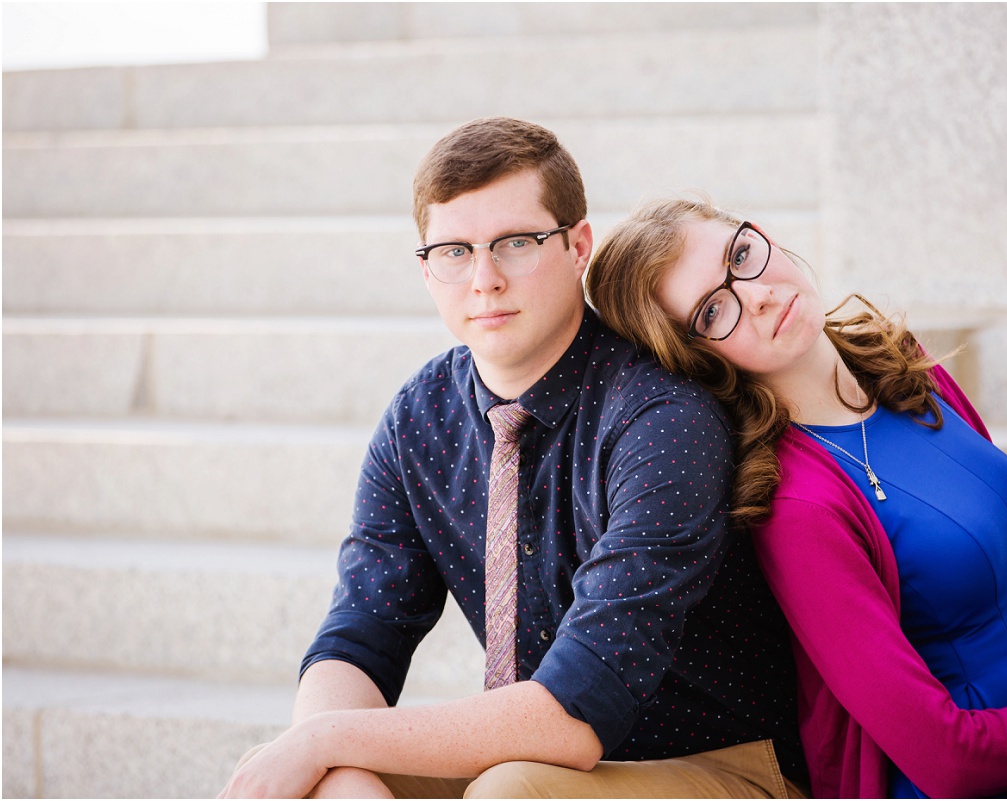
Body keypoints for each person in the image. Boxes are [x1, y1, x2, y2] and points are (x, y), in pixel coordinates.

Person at [219, 120, 806, 799]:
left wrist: (321, 741)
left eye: (517, 244)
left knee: (505, 791)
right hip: (537, 760)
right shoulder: (419, 420)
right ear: (425, 268)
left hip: (723, 765)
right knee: (313, 783)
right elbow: (360, 634)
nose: (485, 279)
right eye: (454, 251)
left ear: (578, 244)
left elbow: (578, 709)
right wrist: (324, 760)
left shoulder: (661, 419)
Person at [585, 197, 1007, 799]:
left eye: (741, 254)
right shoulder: (798, 508)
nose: (759, 293)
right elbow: (946, 757)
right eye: (715, 311)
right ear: (697, 357)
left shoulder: (903, 365)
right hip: (996, 779)